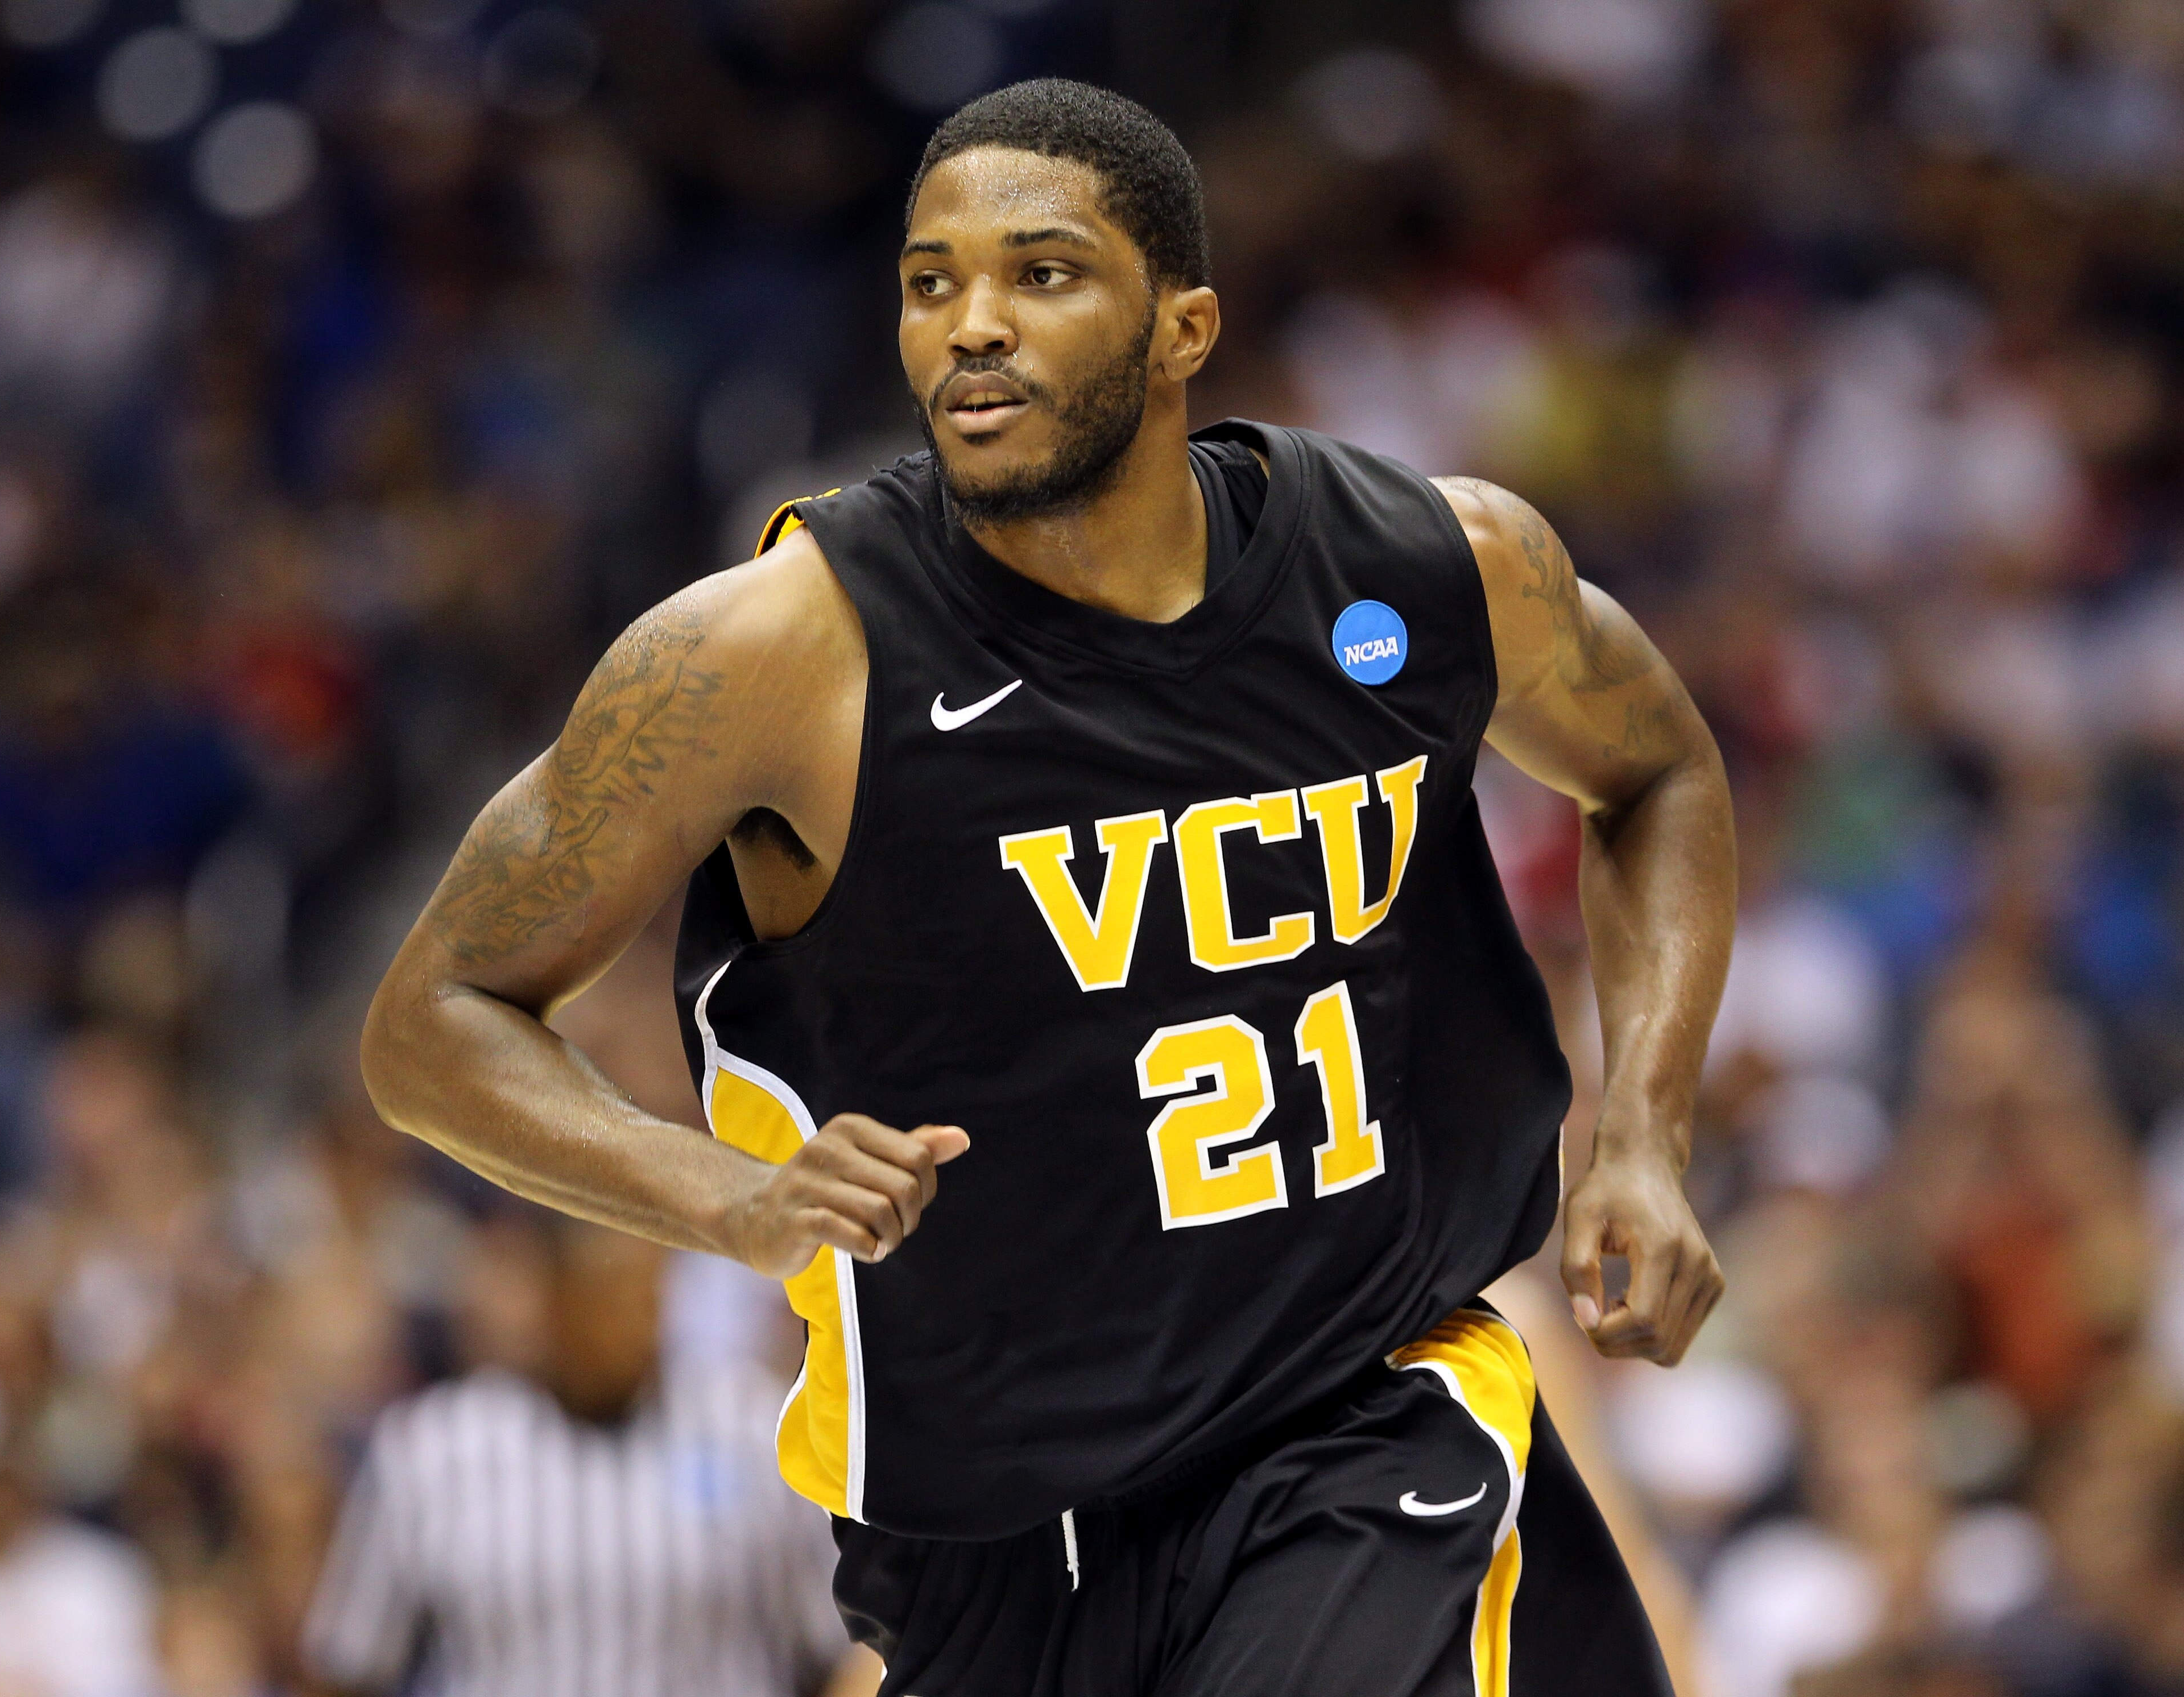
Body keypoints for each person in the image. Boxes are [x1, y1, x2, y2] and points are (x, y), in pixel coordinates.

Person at [362, 77, 1734, 1697]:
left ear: (1182, 328)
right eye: (929, 283)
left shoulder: (1428, 566)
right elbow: (431, 1023)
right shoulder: (772, 655)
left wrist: (1642, 1135)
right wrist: (721, 1196)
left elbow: (1656, 772)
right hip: (987, 1540)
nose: (972, 325)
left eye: (1043, 274)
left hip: (1355, 1418)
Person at [301, 1214, 878, 1697]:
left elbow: (847, 1653)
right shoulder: (435, 1448)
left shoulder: (753, 1428)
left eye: (647, 1291)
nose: (636, 1319)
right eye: (608, 1295)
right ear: (553, 1297)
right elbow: (347, 1665)